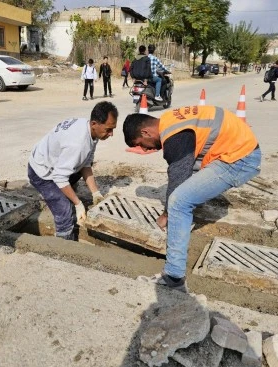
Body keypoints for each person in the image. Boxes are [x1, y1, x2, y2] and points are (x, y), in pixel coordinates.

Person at [123, 106, 261, 292]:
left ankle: (174, 278)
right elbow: (187, 166)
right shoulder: (170, 121)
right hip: (238, 149)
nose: (145, 149)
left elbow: (178, 176)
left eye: (141, 143)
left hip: (238, 159)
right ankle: (184, 221)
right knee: (185, 192)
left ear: (145, 131)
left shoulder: (174, 137)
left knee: (178, 203)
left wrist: (166, 214)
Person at [28, 102, 118, 241]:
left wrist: (95, 193)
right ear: (94, 123)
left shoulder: (91, 131)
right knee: (65, 210)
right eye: (108, 129)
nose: (111, 134)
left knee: (75, 169)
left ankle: (65, 194)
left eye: (112, 129)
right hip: (41, 172)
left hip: (55, 163)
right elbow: (59, 177)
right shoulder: (78, 143)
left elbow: (86, 162)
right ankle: (65, 244)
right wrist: (78, 203)